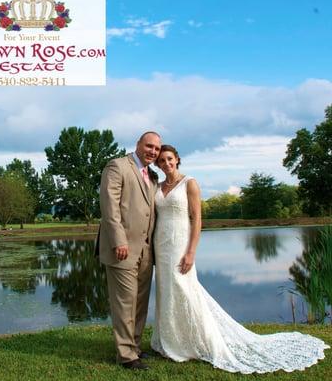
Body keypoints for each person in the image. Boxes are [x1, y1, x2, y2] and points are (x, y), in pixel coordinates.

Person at [150, 145, 329, 373]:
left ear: (177, 159)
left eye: (169, 159)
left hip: (180, 244)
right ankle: (171, 341)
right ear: (158, 164)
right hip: (161, 244)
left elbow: (197, 220)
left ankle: (200, 341)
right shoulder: (159, 186)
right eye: (162, 161)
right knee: (166, 290)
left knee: (185, 289)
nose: (166, 163)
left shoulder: (190, 183)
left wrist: (191, 252)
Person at [97, 131, 161, 370]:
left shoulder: (151, 176)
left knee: (140, 303)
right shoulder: (117, 166)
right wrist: (118, 241)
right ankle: (125, 355)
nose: (153, 151)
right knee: (124, 302)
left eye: (156, 148)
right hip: (121, 249)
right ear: (138, 144)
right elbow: (109, 205)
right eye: (149, 146)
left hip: (146, 250)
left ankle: (134, 346)